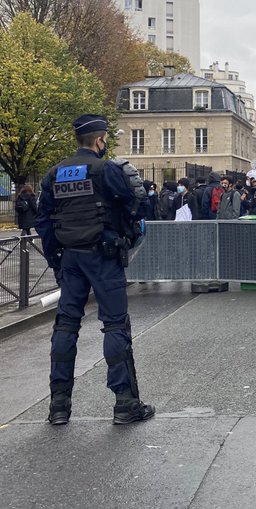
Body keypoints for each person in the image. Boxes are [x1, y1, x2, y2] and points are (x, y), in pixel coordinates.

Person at [34, 114, 154, 426]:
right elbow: (138, 206)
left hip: (70, 257)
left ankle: (59, 405)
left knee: (65, 326)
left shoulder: (54, 174)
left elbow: (43, 221)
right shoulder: (106, 169)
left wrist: (56, 262)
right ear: (100, 140)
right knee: (115, 325)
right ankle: (125, 403)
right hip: (104, 256)